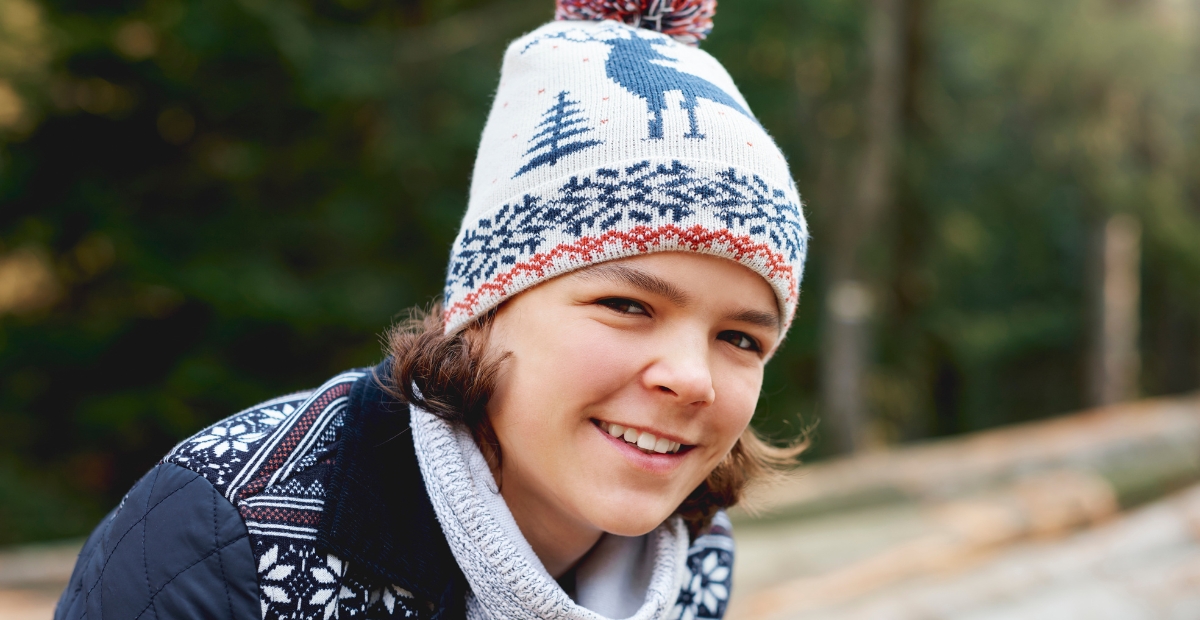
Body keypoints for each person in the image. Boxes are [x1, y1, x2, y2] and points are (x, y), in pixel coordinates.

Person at [54, 1, 809, 618]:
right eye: (626, 304)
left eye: (741, 337)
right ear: (484, 306)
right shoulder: (226, 541)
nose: (692, 379)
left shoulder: (691, 556)